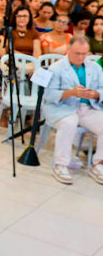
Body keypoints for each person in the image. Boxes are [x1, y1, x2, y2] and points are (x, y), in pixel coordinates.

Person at [43, 36, 103, 185]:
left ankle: (98, 164)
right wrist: (71, 92)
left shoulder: (95, 67)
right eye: (77, 53)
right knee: (69, 123)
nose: (81, 57)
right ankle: (61, 164)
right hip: (61, 107)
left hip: (87, 107)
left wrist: (95, 94)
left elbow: (101, 88)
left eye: (84, 54)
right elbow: (49, 95)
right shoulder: (56, 68)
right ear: (68, 50)